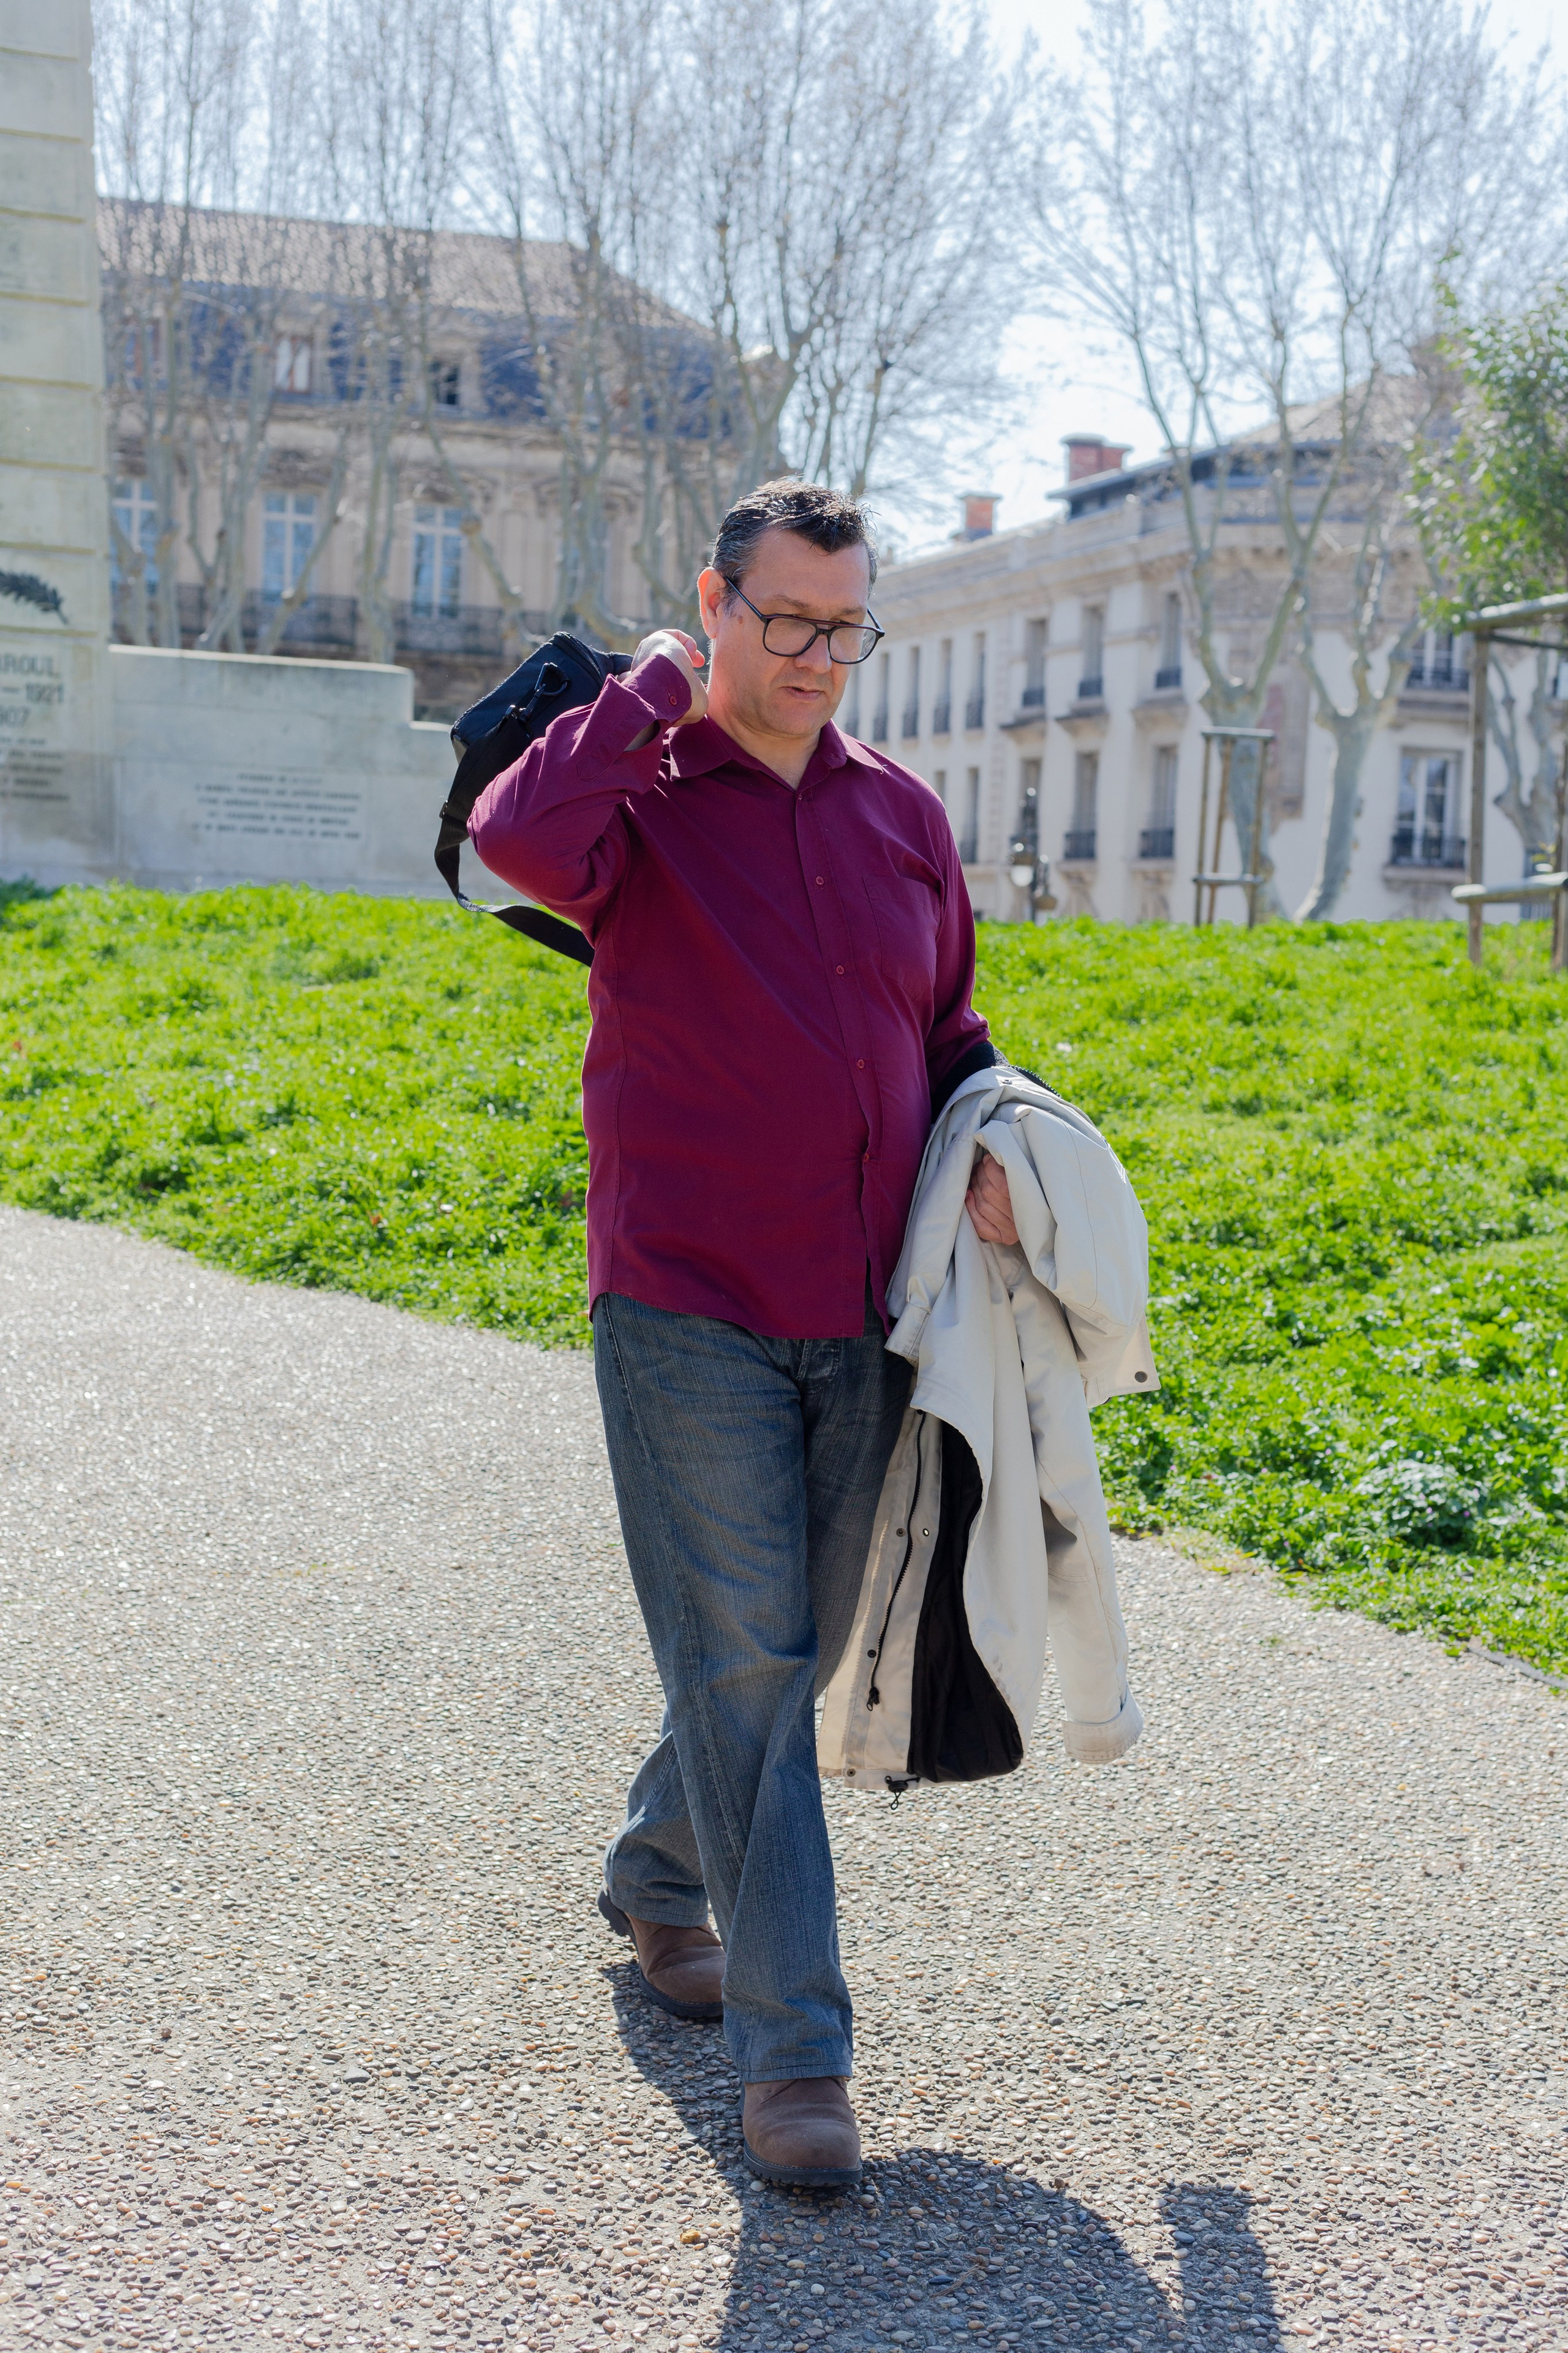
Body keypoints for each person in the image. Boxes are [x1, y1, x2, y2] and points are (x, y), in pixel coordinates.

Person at [469, 479, 1018, 2188]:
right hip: (686, 1298)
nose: (816, 659)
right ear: (715, 600)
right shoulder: (636, 802)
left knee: (780, 1639)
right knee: (753, 1664)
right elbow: (510, 844)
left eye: (846, 628)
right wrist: (647, 690)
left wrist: (991, 1133)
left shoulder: (901, 817)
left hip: (867, 1306)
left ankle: (656, 1870)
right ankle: (799, 2061)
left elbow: (946, 1018)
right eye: (783, 620)